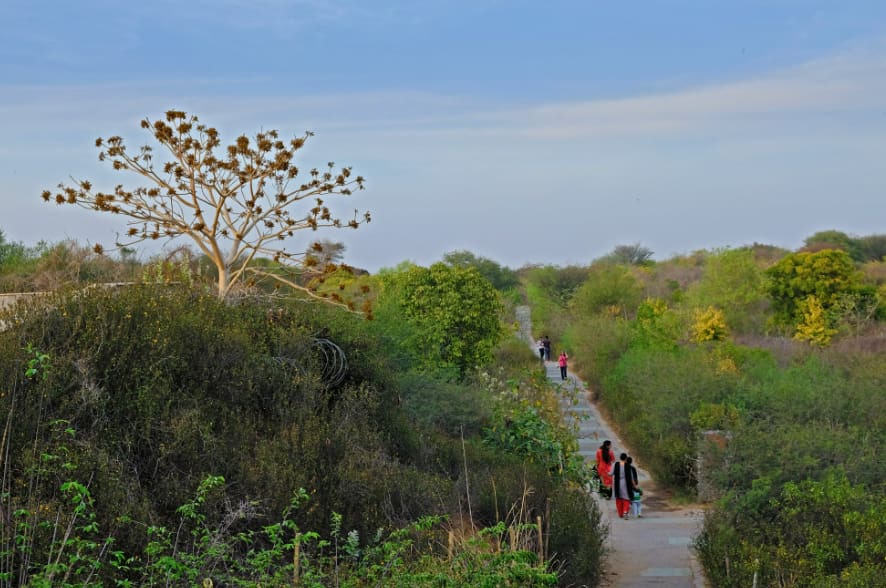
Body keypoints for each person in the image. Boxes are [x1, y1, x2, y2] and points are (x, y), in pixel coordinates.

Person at [611, 452, 636, 519]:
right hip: (626, 484)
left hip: (617, 484)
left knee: (618, 498)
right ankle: (625, 512)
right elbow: (631, 478)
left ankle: (620, 514)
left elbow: (610, 473)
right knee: (626, 498)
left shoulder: (615, 464)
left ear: (620, 458)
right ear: (625, 459)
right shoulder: (628, 466)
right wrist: (634, 486)